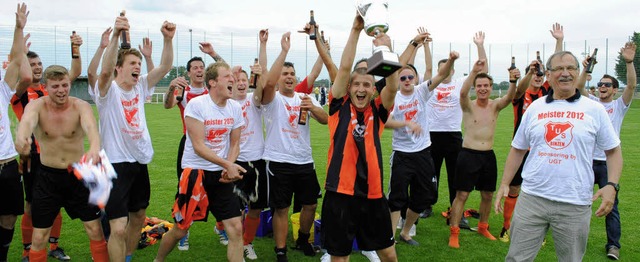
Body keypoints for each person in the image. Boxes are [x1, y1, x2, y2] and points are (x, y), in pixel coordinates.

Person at [494, 51, 623, 261]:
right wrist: (505, 183)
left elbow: (613, 150)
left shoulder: (594, 109)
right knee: (517, 258)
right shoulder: (535, 108)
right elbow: (518, 149)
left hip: (574, 202)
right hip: (532, 199)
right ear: (549, 74)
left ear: (578, 72)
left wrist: (612, 185)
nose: (565, 73)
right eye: (559, 69)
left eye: (571, 68)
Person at [95, 13, 175, 262]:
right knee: (118, 226)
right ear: (119, 67)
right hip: (113, 164)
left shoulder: (140, 86)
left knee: (139, 216)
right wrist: (116, 36)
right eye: (131, 64)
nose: (137, 68)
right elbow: (105, 72)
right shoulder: (107, 92)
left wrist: (168, 40)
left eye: (138, 64)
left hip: (139, 163)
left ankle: (127, 256)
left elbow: (164, 67)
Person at [321, 12, 400, 262]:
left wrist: (386, 48)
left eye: (367, 84)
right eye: (356, 84)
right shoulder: (337, 106)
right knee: (339, 256)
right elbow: (345, 67)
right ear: (349, 88)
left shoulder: (379, 110)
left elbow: (393, 85)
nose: (361, 89)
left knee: (388, 253)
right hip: (339, 193)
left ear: (373, 89)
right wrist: (356, 30)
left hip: (373, 194)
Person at [154, 62, 246, 262]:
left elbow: (235, 143)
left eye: (233, 76)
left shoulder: (235, 108)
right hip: (196, 173)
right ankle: (158, 260)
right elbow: (198, 146)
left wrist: (228, 167)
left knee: (236, 228)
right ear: (212, 82)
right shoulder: (197, 105)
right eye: (227, 76)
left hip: (221, 176)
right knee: (180, 229)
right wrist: (227, 165)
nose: (233, 79)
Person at [15, 65, 109, 262]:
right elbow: (26, 123)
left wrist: (94, 147)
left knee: (94, 228)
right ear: (46, 87)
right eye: (55, 86)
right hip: (48, 177)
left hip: (78, 175)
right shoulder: (37, 106)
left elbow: (91, 128)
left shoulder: (80, 105)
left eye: (65, 85)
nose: (61, 90)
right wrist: (22, 138)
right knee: (40, 235)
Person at [12, 5, 82, 260]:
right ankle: (27, 250)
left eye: (39, 63)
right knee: (32, 207)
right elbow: (22, 76)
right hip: (32, 158)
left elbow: (73, 73)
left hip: (55, 156)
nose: (38, 67)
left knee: (57, 205)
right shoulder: (21, 93)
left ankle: (53, 246)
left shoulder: (50, 89)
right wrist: (20, 48)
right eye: (32, 64)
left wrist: (75, 49)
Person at [261, 31, 328, 261]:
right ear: (279, 78)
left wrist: (314, 108)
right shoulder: (272, 98)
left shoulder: (303, 98)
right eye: (284, 73)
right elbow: (267, 82)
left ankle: (302, 239)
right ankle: (281, 250)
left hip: (304, 161)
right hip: (279, 162)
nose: (288, 77)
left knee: (310, 204)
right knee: (281, 208)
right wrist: (284, 50)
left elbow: (325, 119)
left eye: (292, 73)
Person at [385, 44, 458, 246]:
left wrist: (451, 60)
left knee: (424, 195)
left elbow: (441, 75)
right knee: (397, 198)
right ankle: (390, 239)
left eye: (410, 77)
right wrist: (406, 123)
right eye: (403, 78)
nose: (407, 81)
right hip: (401, 154)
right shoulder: (393, 97)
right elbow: (385, 122)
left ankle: (406, 232)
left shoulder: (421, 92)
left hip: (423, 152)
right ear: (398, 80)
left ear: (416, 79)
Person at [448, 59, 525, 248]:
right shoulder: (468, 105)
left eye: (486, 86)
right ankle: (454, 232)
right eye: (479, 86)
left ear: (491, 87)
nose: (483, 89)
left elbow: (509, 98)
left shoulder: (495, 105)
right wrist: (474, 72)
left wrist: (513, 81)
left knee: (488, 195)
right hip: (468, 155)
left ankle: (483, 226)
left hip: (488, 156)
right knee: (462, 195)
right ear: (476, 87)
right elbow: (463, 92)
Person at [498, 23, 564, 242]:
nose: (538, 76)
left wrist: (558, 41)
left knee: (539, 191)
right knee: (515, 188)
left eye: (540, 74)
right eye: (534, 73)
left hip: (543, 150)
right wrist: (528, 71)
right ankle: (507, 227)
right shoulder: (521, 95)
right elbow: (518, 88)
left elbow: (555, 65)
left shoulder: (547, 92)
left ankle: (540, 233)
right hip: (521, 149)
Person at [576, 42, 636, 260]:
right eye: (600, 84)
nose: (602, 87)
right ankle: (572, 237)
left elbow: (631, 86)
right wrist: (585, 68)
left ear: (614, 89)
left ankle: (613, 246)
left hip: (608, 164)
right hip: (585, 161)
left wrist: (629, 62)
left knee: (611, 205)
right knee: (577, 201)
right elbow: (580, 87)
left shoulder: (619, 106)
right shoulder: (591, 102)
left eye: (607, 85)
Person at [426, 32, 487, 229]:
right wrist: (425, 46)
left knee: (455, 176)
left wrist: (479, 45)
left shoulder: (459, 84)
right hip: (432, 135)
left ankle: (456, 212)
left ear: (452, 71)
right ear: (439, 71)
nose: (446, 71)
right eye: (442, 69)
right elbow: (426, 69)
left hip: (453, 135)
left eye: (449, 68)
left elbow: (480, 71)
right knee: (429, 173)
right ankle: (426, 205)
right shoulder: (430, 85)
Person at [0, 4, 32, 261]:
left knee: (9, 215)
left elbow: (15, 59)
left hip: (8, 164)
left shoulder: (1, 90)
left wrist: (19, 28)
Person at [230, 60, 268, 260]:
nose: (241, 83)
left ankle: (247, 243)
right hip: (235, 161)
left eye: (244, 79)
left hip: (257, 160)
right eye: (237, 80)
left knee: (256, 207)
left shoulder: (254, 100)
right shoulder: (226, 103)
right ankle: (234, 242)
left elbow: (261, 89)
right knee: (235, 211)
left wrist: (259, 73)